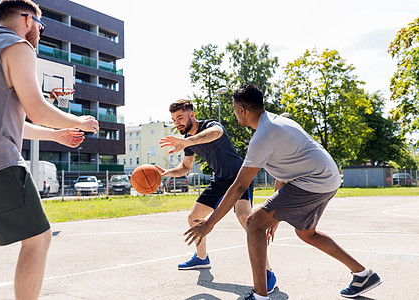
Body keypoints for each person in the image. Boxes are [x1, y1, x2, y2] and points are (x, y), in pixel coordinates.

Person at [185, 85, 382, 300]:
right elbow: (283, 172)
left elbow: (239, 186)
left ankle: (260, 296)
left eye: (234, 109)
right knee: (307, 233)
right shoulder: (276, 122)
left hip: (312, 181)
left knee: (254, 223)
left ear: (242, 110)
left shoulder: (263, 135)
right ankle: (363, 274)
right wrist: (275, 215)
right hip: (327, 177)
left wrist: (210, 222)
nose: (234, 113)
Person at [0, 1, 99, 299]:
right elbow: (37, 109)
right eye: (40, 26)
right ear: (27, 19)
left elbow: (3, 121)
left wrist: (56, 136)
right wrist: (79, 120)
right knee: (38, 239)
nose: (39, 32)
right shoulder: (16, 46)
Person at [157, 99, 277, 294]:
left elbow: (217, 133)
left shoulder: (210, 126)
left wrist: (187, 141)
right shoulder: (188, 141)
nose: (177, 122)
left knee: (247, 221)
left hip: (239, 175)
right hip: (220, 180)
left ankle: (267, 273)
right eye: (173, 119)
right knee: (194, 217)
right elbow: (186, 167)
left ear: (192, 114)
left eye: (180, 117)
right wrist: (167, 172)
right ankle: (202, 258)